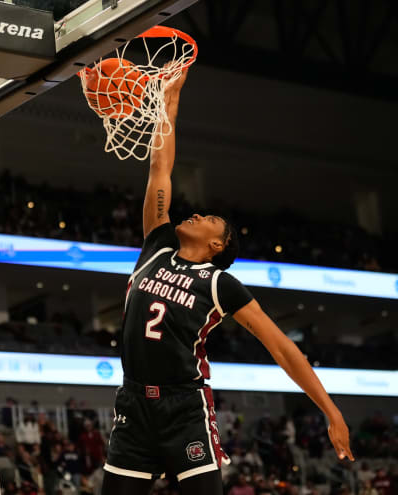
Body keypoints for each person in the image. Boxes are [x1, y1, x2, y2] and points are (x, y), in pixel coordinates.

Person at [100, 68, 354, 495]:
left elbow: (282, 347)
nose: (196, 214)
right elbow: (160, 168)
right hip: (132, 405)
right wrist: (169, 98)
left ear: (218, 244)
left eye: (209, 219)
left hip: (185, 409)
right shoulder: (157, 246)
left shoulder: (220, 283)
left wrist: (331, 411)